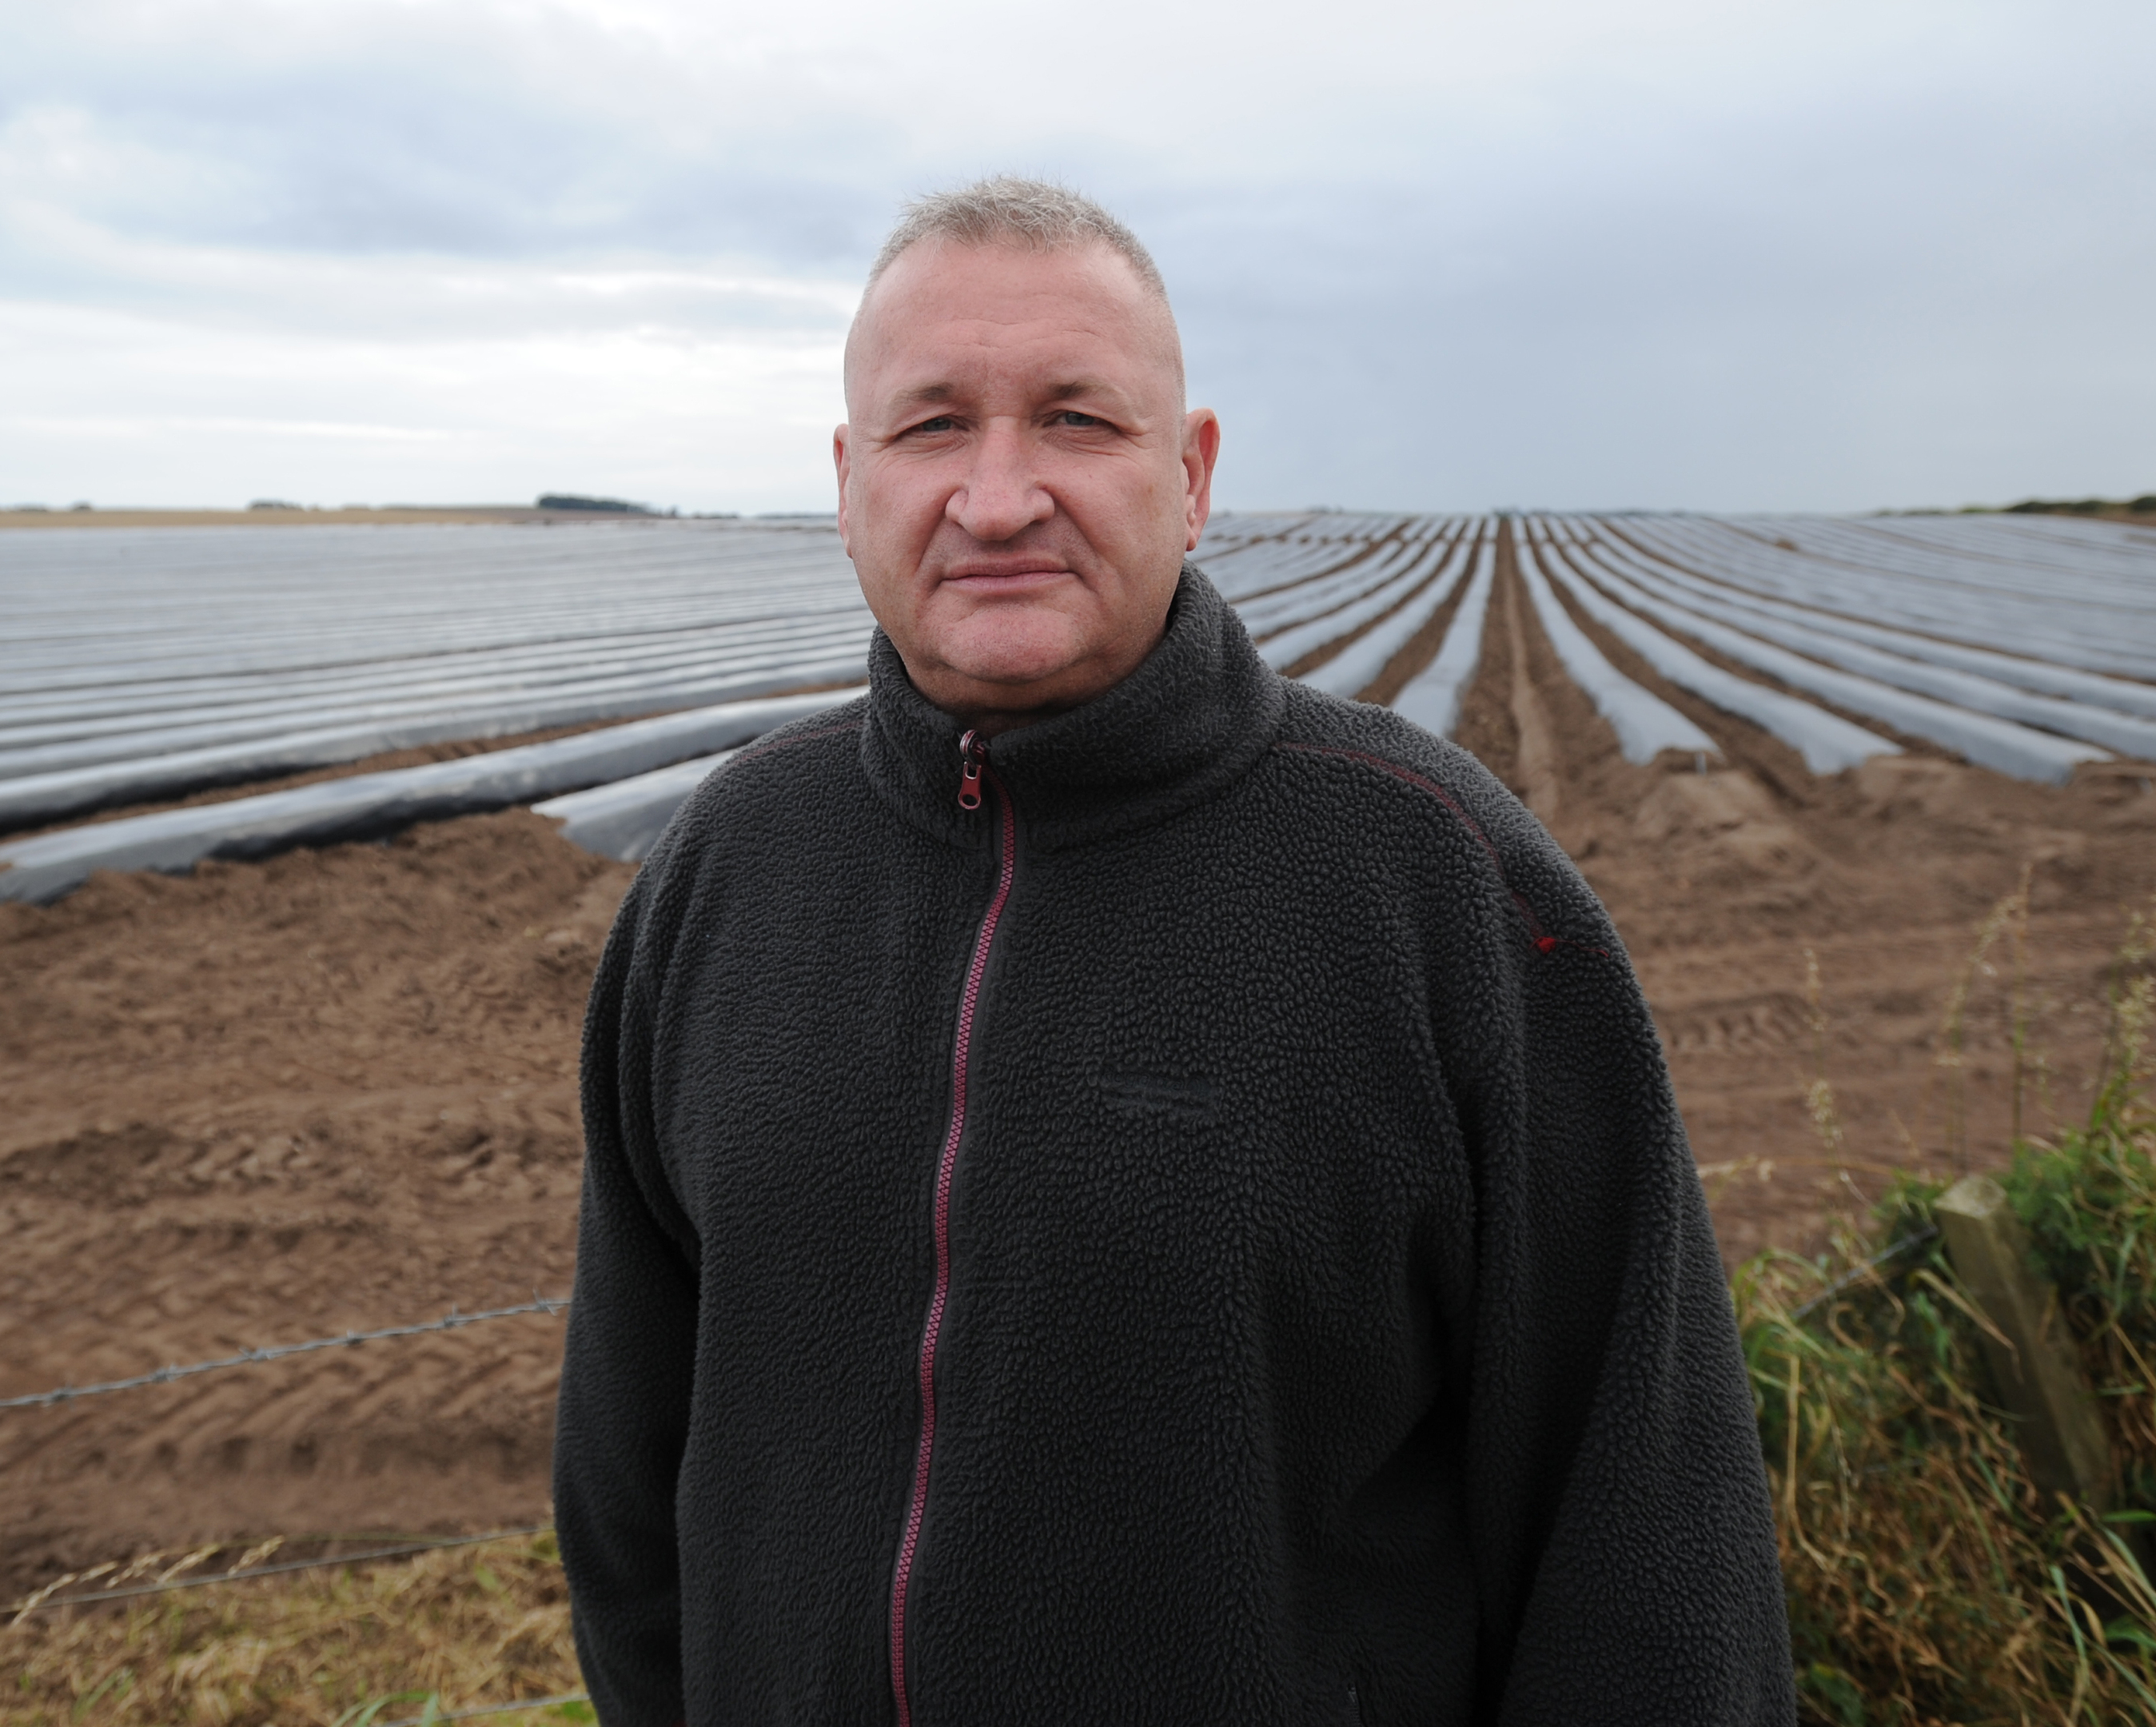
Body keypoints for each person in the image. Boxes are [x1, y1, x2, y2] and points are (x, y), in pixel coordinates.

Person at [552, 175, 1793, 1726]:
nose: (997, 498)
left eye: (1078, 420)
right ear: (849, 476)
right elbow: (627, 1479)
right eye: (933, 426)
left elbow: (1646, 1555)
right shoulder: (729, 871)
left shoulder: (1437, 888)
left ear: (1192, 475)